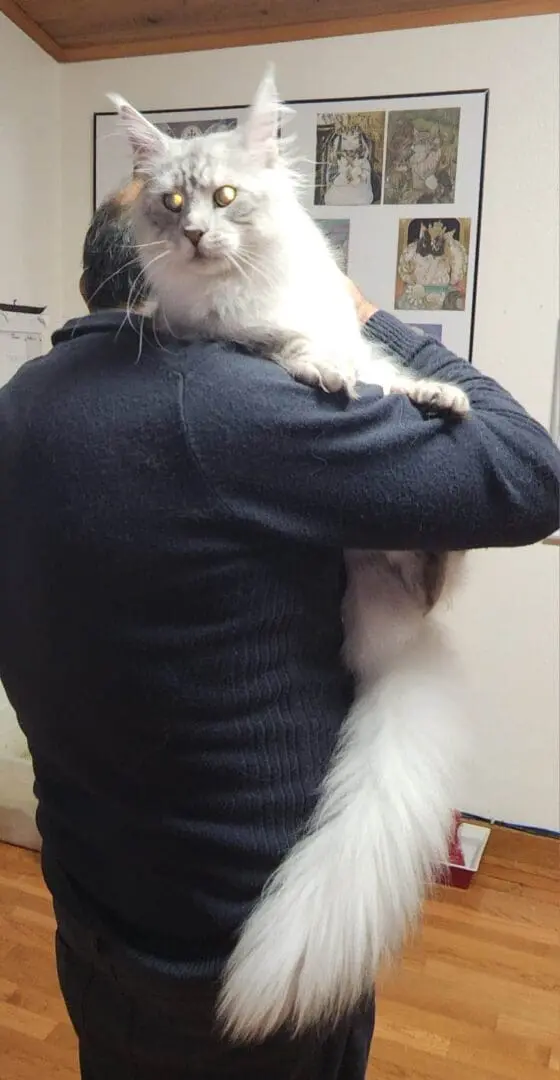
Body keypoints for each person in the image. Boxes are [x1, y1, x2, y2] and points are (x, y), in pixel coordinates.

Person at [0, 188, 558, 1080]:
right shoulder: (234, 408)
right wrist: (364, 313)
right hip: (245, 952)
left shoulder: (20, 401)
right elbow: (532, 473)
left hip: (96, 911)